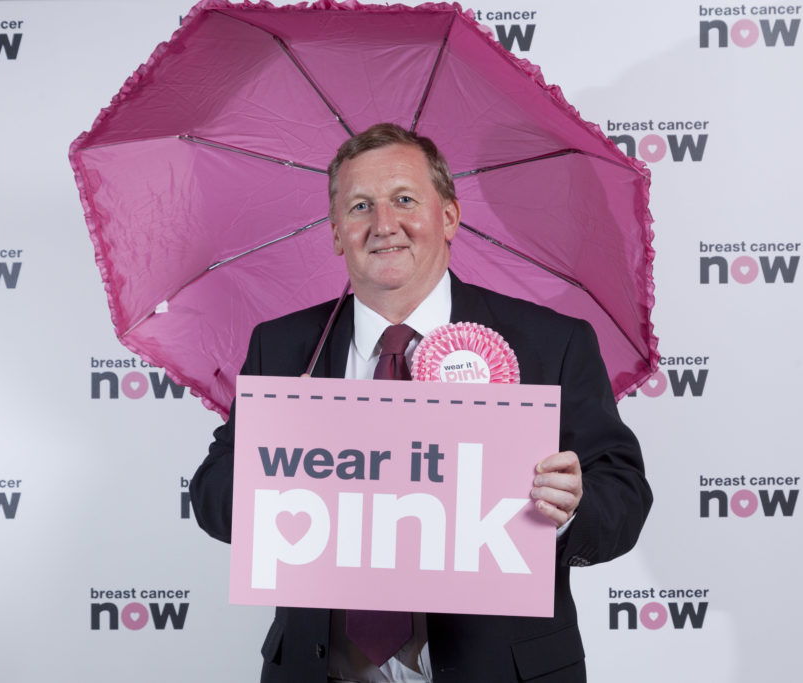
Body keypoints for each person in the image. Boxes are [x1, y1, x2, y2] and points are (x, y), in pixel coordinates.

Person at [190, 123, 652, 682]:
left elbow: (623, 497)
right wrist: (272, 475)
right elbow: (212, 495)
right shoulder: (285, 348)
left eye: (404, 199)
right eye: (360, 206)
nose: (384, 224)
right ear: (336, 232)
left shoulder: (551, 343)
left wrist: (568, 509)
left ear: (449, 217)